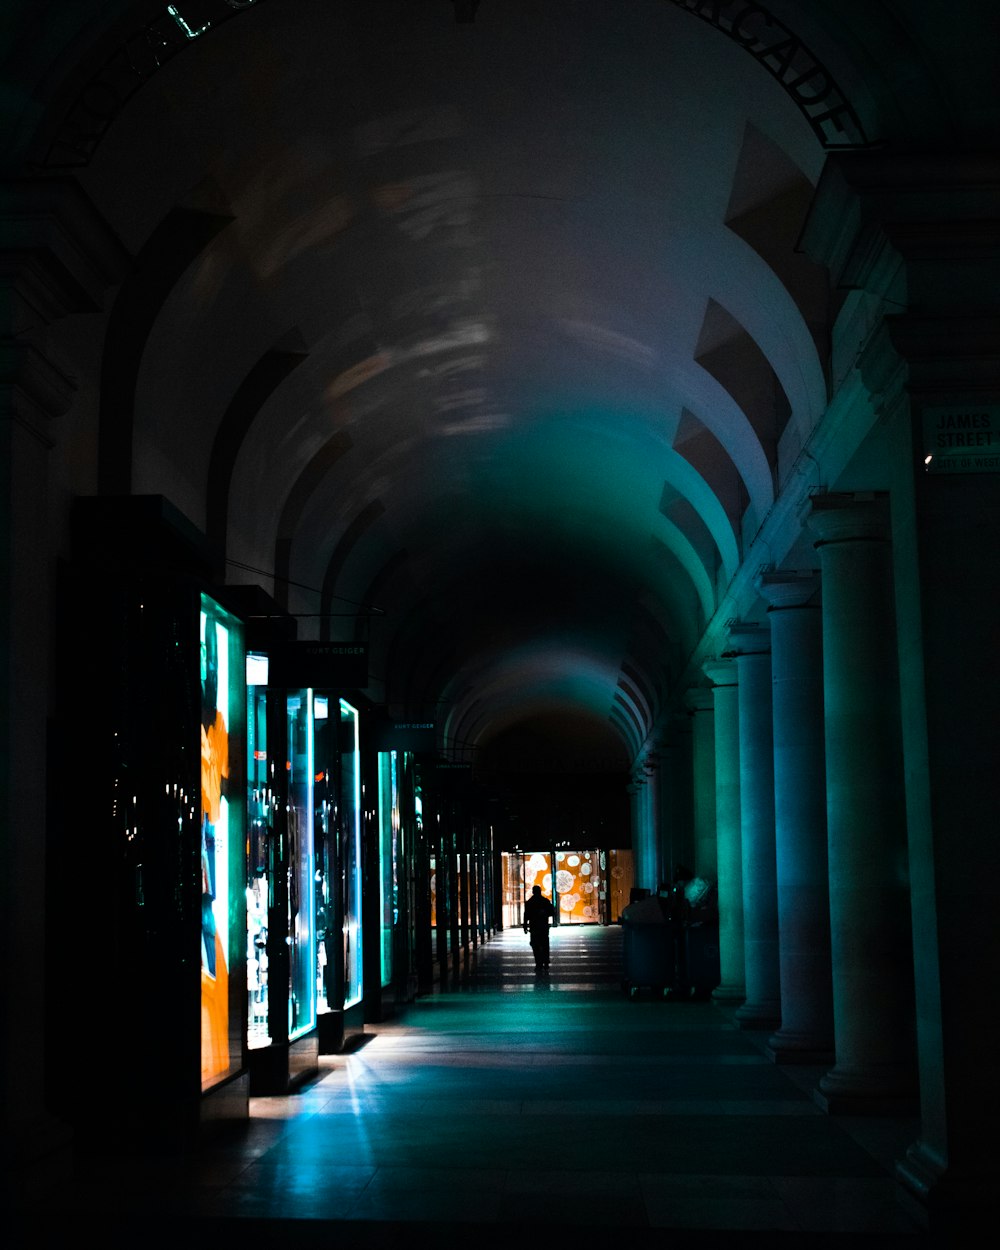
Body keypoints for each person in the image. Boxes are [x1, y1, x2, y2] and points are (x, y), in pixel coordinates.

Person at [523, 884, 555, 971]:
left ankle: (538, 963)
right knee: (545, 944)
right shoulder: (545, 901)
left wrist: (525, 926)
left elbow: (526, 915)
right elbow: (552, 912)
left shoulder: (529, 902)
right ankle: (545, 961)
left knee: (535, 945)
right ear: (540, 891)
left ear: (533, 892)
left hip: (534, 927)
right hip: (543, 926)